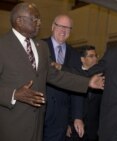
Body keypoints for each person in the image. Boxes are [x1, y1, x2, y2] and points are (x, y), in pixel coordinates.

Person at [0, 2, 103, 141]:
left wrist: (87, 83)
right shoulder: (3, 46)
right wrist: (13, 94)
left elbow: (55, 75)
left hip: (38, 125)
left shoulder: (41, 46)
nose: (39, 23)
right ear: (19, 21)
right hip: (12, 125)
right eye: (35, 19)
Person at [43, 14, 84, 141]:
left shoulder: (75, 55)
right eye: (60, 26)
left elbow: (77, 86)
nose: (63, 30)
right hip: (38, 111)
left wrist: (77, 116)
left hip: (61, 117)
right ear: (52, 27)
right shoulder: (39, 46)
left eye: (67, 28)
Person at [66, 45, 102, 141]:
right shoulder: (73, 76)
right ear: (82, 59)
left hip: (94, 130)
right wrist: (65, 124)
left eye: (96, 56)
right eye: (91, 56)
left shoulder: (102, 77)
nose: (95, 59)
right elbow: (65, 101)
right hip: (73, 128)